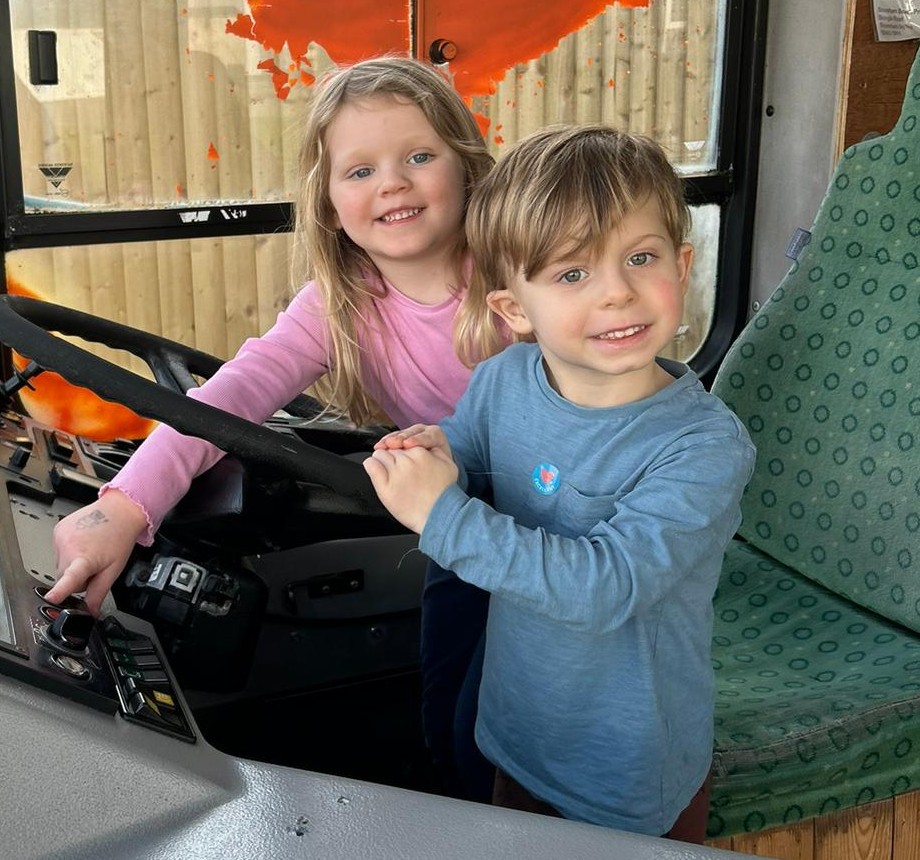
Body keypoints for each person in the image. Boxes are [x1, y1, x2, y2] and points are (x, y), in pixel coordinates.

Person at [46, 56, 500, 798]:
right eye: (360, 170)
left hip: (561, 525)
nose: (392, 183)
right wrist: (124, 507)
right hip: (456, 530)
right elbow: (231, 397)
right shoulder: (340, 302)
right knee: (448, 708)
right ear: (329, 203)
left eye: (419, 157)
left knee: (510, 719)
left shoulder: (518, 276)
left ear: (467, 168)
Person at [363, 125, 757, 842]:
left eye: (641, 258)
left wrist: (441, 517)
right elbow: (471, 448)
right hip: (515, 729)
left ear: (682, 265)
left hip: (624, 772)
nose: (618, 293)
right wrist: (435, 450)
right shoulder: (504, 378)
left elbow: (606, 588)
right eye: (573, 274)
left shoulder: (702, 446)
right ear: (514, 310)